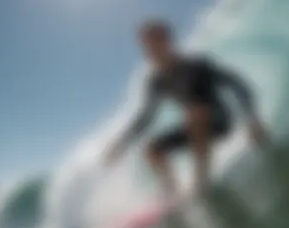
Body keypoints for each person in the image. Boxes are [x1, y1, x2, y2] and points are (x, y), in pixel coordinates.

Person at [104, 20, 268, 203]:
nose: (150, 50)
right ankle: (171, 192)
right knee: (151, 149)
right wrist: (120, 145)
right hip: (194, 125)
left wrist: (253, 120)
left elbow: (237, 84)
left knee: (195, 113)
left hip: (220, 121)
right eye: (146, 45)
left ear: (167, 41)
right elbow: (145, 118)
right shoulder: (157, 82)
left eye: (154, 42)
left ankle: (201, 182)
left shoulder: (196, 66)